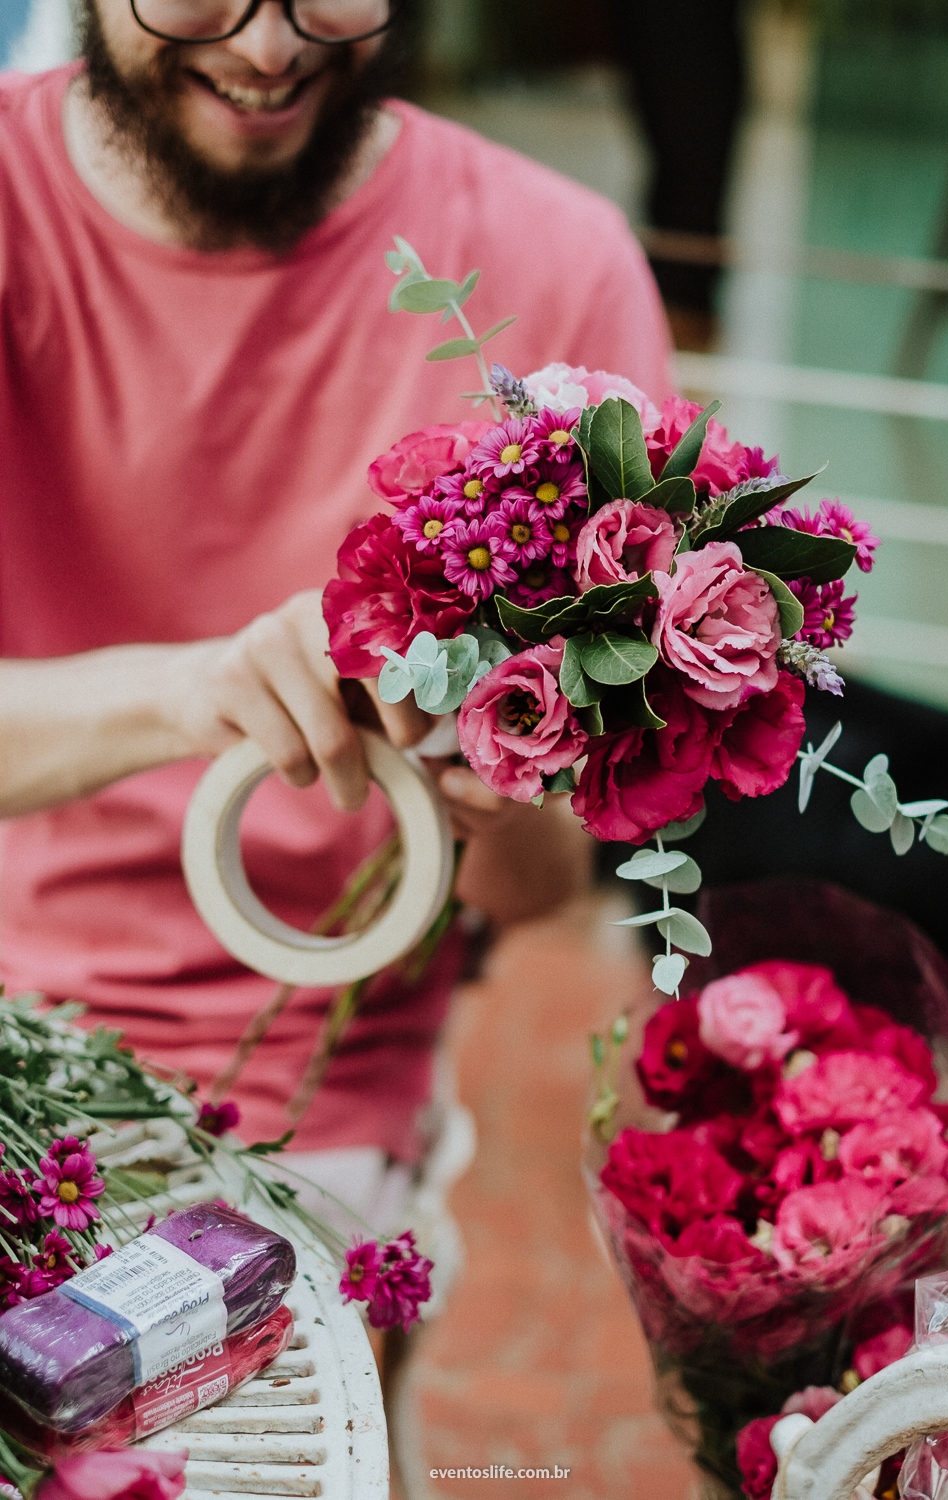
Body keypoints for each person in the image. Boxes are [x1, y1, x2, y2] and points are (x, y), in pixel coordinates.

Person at [0, 0, 670, 1225]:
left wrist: (502, 788)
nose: (268, 49)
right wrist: (196, 689)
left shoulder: (553, 262)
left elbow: (537, 893)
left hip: (325, 1067)